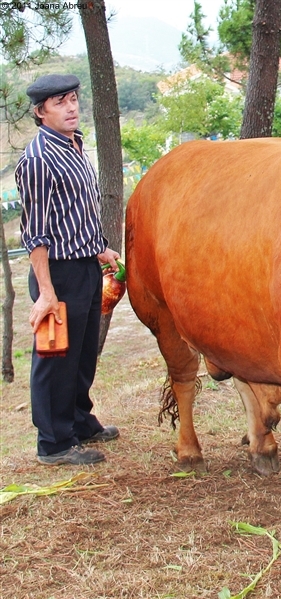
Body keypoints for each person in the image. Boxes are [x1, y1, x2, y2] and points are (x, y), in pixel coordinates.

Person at [15, 73, 121, 466]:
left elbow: (75, 212)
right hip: (57, 273)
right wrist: (46, 292)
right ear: (41, 112)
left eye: (74, 98)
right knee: (55, 357)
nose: (72, 107)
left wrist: (100, 248)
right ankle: (54, 443)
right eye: (60, 102)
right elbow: (37, 234)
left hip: (85, 266)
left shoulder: (73, 145)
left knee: (81, 353)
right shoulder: (39, 159)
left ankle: (78, 420)